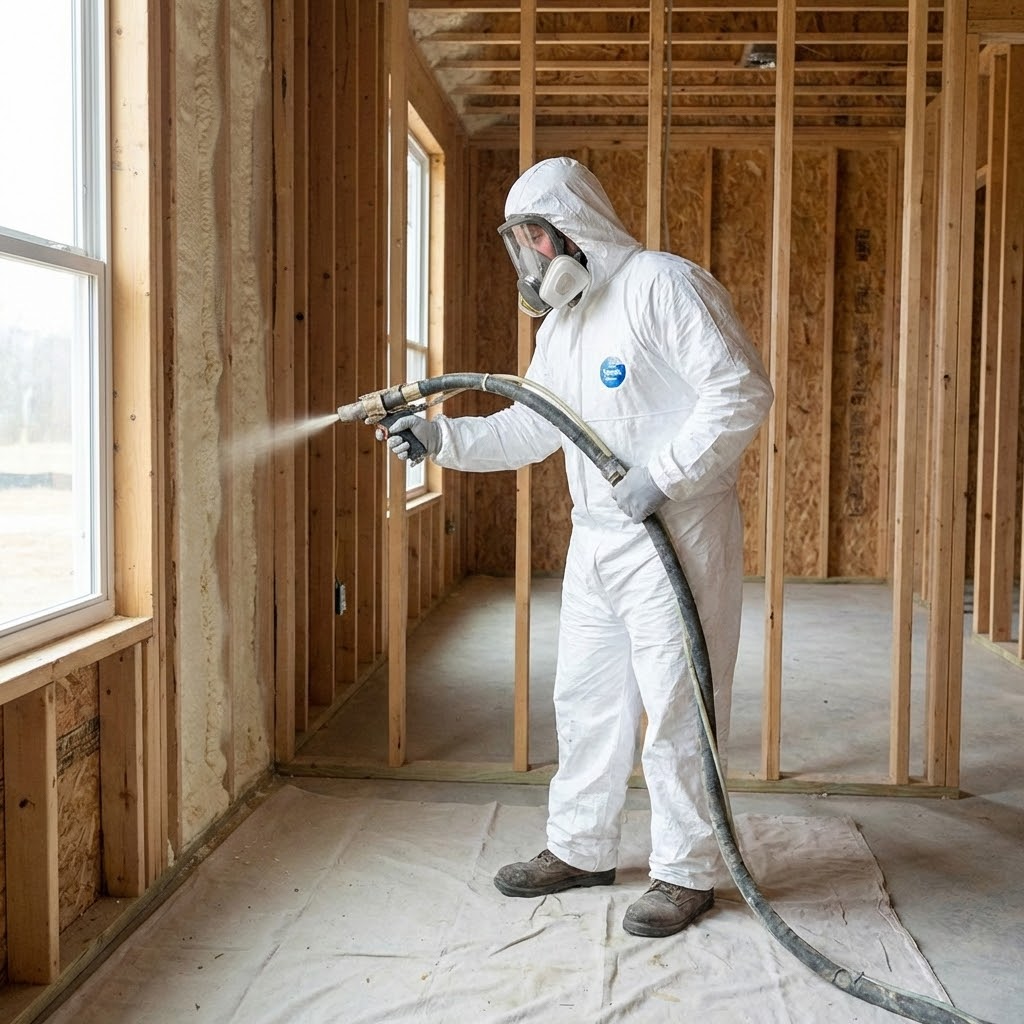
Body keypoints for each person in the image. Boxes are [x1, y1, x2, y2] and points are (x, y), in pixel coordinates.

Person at [378, 156, 773, 938]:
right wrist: (441, 436)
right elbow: (533, 423)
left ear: (572, 230)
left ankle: (684, 872)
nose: (529, 260)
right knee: (587, 699)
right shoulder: (565, 324)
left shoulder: (663, 285)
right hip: (597, 540)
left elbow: (740, 390)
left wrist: (662, 475)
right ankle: (582, 847)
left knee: (677, 705)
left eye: (534, 240)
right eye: (519, 244)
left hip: (677, 533)